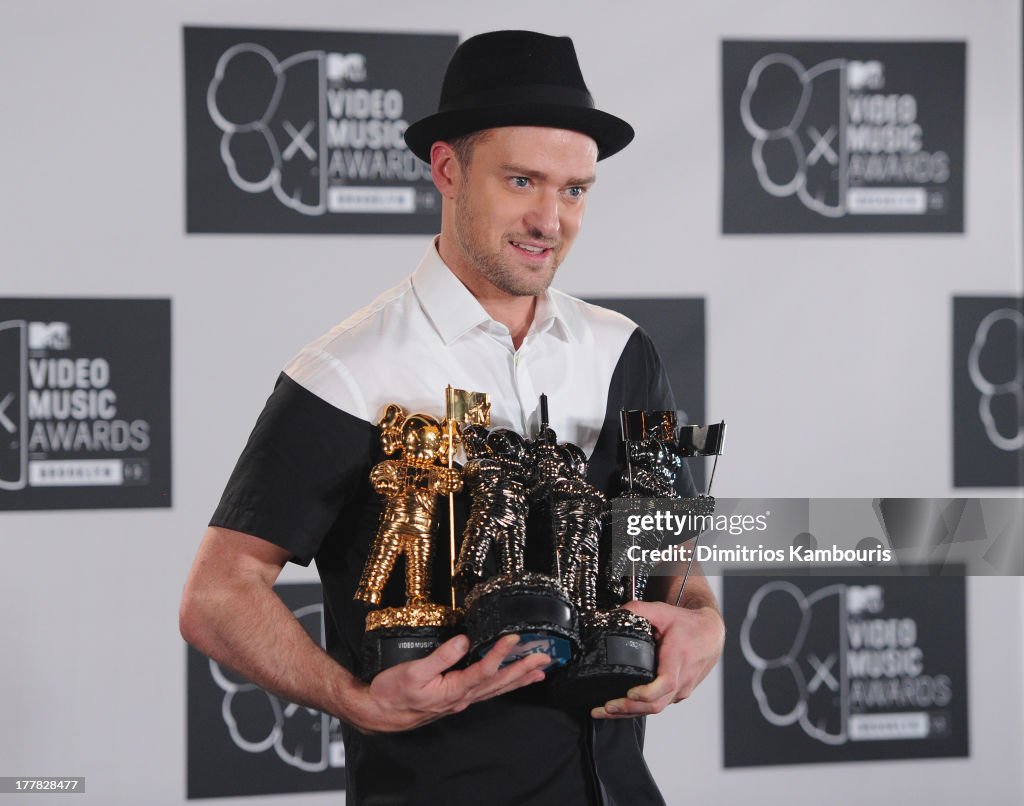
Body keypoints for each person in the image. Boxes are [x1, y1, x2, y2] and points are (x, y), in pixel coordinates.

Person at [180, 29, 725, 806]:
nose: (550, 219)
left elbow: (670, 554)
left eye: (574, 190)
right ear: (448, 170)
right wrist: (357, 699)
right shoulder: (350, 370)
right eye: (522, 181)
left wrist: (705, 620)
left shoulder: (623, 351)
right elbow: (217, 593)